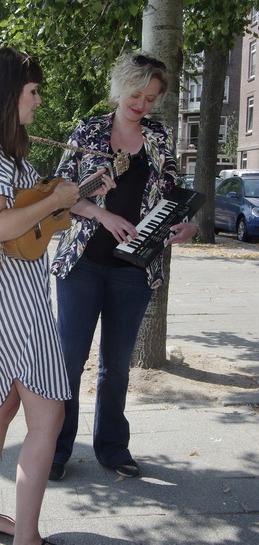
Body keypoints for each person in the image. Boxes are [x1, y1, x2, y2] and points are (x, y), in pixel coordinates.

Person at [0, 48, 113, 545]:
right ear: (7, 93)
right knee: (50, 414)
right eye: (33, 91)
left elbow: (31, 221)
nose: (39, 100)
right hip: (1, 302)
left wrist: (78, 202)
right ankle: (28, 538)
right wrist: (61, 200)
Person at [48, 52, 198, 482]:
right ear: (121, 88)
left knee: (117, 365)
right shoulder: (89, 130)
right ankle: (56, 449)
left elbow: (174, 196)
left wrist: (189, 224)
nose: (142, 104)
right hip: (83, 264)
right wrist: (100, 213)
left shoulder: (160, 138)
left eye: (151, 98)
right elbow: (58, 194)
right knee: (70, 361)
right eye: (137, 94)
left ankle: (113, 449)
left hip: (134, 268)